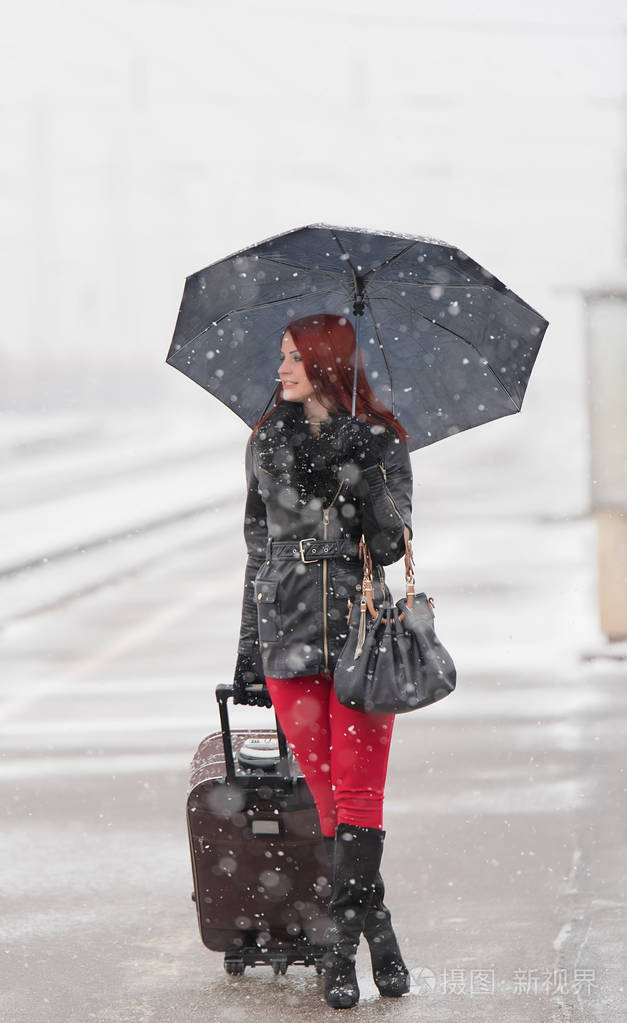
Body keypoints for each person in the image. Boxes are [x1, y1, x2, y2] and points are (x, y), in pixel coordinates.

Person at [232, 312, 413, 1009]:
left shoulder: (381, 442)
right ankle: (381, 929)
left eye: (290, 358)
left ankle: (341, 945)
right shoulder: (264, 444)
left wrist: (365, 476)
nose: (279, 370)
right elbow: (257, 550)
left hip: (359, 634)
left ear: (323, 363)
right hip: (286, 636)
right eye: (280, 357)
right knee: (328, 798)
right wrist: (249, 651)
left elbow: (394, 545)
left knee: (359, 796)